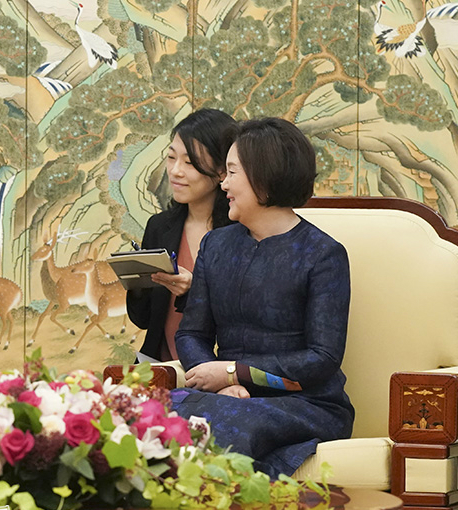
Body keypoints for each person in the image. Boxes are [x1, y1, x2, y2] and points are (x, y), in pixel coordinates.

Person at [171, 117, 352, 478]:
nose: (223, 184)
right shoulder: (217, 244)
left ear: (263, 178)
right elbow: (191, 334)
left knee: (225, 426)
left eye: (232, 172)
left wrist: (233, 373)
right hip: (227, 399)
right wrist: (223, 385)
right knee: (143, 412)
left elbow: (322, 359)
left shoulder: (323, 254)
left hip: (305, 402)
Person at [126, 108, 237, 361]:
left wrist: (193, 291)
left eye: (189, 163)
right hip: (160, 368)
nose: (175, 171)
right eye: (171, 157)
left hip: (219, 375)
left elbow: (242, 323)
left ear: (222, 171)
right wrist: (136, 284)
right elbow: (143, 320)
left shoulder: (238, 234)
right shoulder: (159, 226)